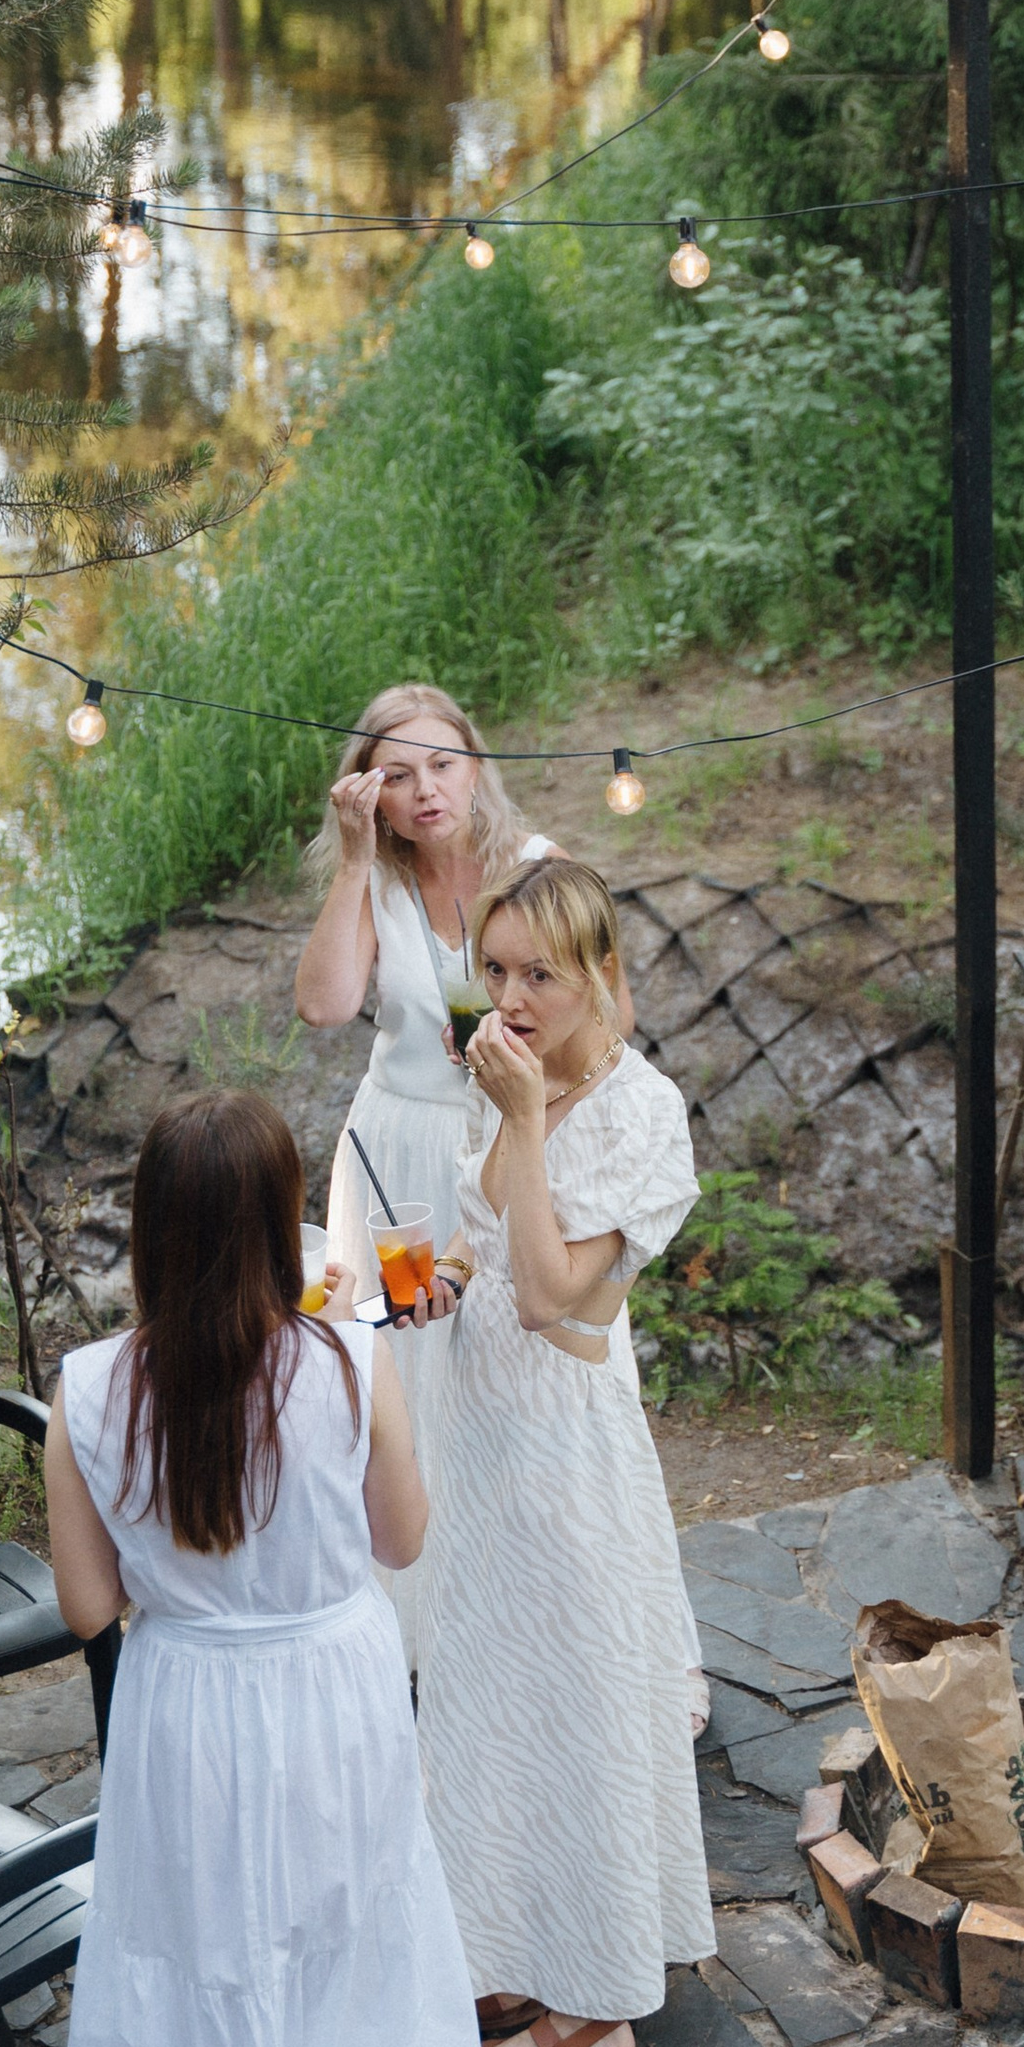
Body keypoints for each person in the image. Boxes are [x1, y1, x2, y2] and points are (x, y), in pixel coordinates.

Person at [42, 1087, 488, 2047]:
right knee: (330, 1945)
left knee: (203, 1966)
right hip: (333, 1690)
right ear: (275, 1230)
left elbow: (87, 1606)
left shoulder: (85, 1390)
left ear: (151, 1232)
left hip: (187, 1700)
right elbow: (402, 1538)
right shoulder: (350, 1359)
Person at [415, 857, 713, 2047]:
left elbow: (552, 1295)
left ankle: (594, 2021)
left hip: (567, 1455)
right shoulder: (503, 1082)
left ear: (600, 975)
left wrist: (525, 1118)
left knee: (580, 1716)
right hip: (480, 1444)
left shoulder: (644, 1115)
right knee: (493, 1706)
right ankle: (507, 1948)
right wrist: (437, 1276)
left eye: (540, 971)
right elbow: (494, 1255)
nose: (511, 995)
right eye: (494, 969)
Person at [292, 681, 658, 1682]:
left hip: (515, 1142)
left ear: (476, 765)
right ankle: (426, 1635)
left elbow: (613, 1018)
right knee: (409, 1381)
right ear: (369, 791)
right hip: (399, 1161)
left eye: (442, 765)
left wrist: (532, 1077)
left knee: (538, 1377)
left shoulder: (537, 870)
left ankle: (562, 1621)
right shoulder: (377, 878)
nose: (424, 790)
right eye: (396, 774)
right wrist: (358, 865)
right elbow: (324, 1003)